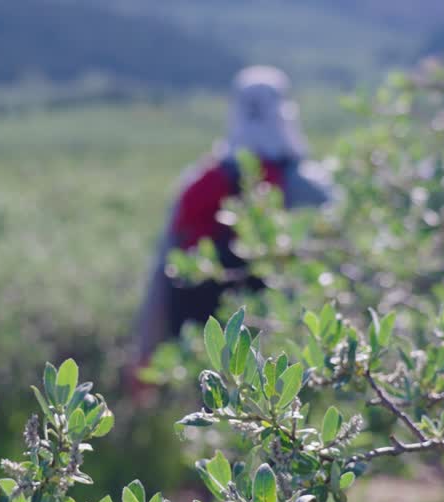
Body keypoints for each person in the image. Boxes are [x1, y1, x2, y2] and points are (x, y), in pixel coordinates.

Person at [129, 66, 334, 398]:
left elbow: (162, 271)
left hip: (202, 351)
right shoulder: (310, 187)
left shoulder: (197, 183)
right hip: (286, 350)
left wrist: (145, 353)